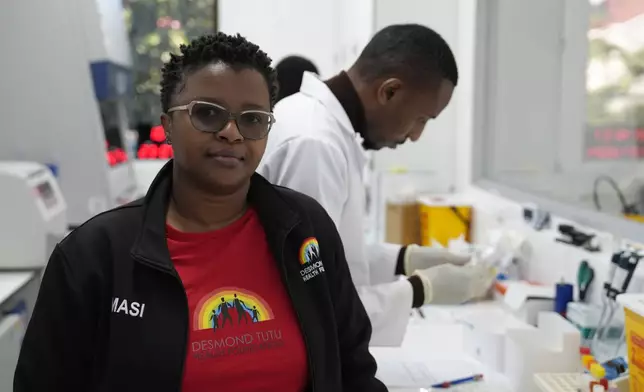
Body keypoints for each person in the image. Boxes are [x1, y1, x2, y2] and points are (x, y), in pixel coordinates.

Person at [14, 33, 386, 392]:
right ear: (167, 126)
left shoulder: (306, 228)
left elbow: (353, 367)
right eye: (207, 113)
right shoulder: (93, 255)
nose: (231, 132)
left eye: (253, 118)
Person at [258, 24, 496, 346]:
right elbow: (314, 299)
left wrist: (404, 259)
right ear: (390, 91)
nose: (415, 135)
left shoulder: (316, 123)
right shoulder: (315, 145)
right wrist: (419, 290)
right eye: (422, 119)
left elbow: (329, 253)